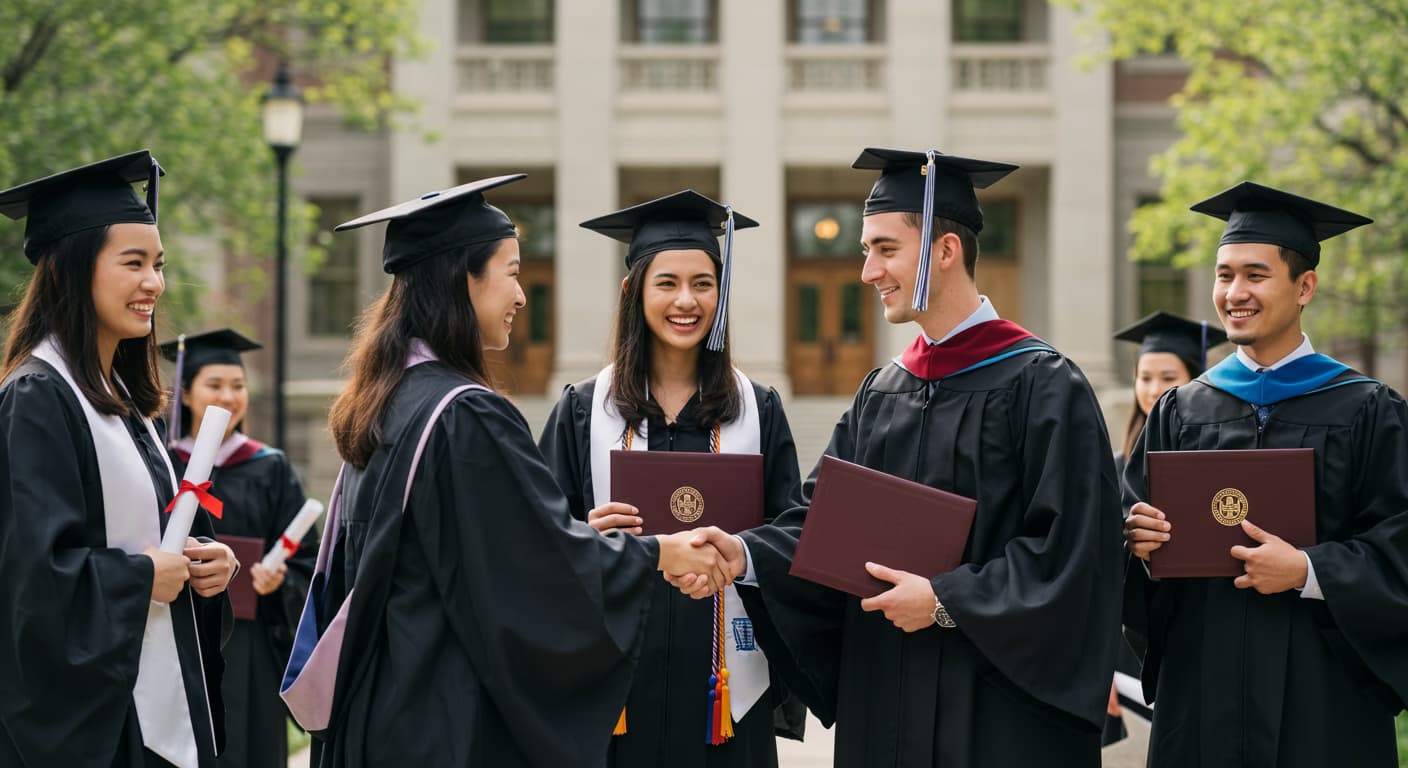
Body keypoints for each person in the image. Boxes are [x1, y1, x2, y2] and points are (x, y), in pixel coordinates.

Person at [693, 147, 1124, 767]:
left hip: (996, 713)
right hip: (886, 696)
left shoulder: (1045, 386)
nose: (868, 271)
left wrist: (948, 601)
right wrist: (747, 554)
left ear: (945, 251)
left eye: (884, 249)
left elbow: (1075, 554)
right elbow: (820, 521)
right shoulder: (883, 391)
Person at [310, 174, 736, 767]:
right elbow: (539, 569)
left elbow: (492, 553)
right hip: (442, 724)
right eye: (511, 272)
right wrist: (658, 552)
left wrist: (579, 537)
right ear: (465, 278)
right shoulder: (465, 415)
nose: (521, 296)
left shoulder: (392, 399)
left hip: (385, 712)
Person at [1122, 182, 1408, 767]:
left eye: (1255, 275)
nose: (1234, 293)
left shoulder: (1366, 409)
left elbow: (1400, 544)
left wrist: (1308, 569)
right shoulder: (1181, 411)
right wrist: (1140, 549)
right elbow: (1122, 538)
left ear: (1305, 287)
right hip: (1202, 695)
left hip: (1324, 700)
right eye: (1224, 276)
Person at [539, 190, 807, 768]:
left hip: (726, 693)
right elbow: (535, 541)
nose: (686, 300)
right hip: (615, 697)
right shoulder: (585, 411)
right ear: (634, 293)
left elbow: (796, 534)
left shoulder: (756, 410)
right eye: (667, 283)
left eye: (703, 283)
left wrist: (742, 552)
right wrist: (585, 534)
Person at [0, 151, 237, 767]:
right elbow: (30, 585)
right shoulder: (38, 398)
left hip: (147, 709)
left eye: (158, 264)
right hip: (97, 727)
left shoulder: (124, 400)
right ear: (74, 271)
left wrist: (204, 565)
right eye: (133, 263)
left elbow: (154, 539)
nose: (154, 282)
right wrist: (140, 580)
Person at [161, 328, 320, 767]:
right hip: (180, 635)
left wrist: (282, 579)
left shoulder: (269, 467)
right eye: (215, 385)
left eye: (238, 386)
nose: (229, 397)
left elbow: (310, 557)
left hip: (250, 647)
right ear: (186, 394)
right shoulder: (164, 462)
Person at [1104, 311, 1227, 745]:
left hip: (1188, 648)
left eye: (1168, 376)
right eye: (1144, 377)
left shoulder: (1209, 468)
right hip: (1117, 654)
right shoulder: (1111, 469)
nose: (1154, 389)